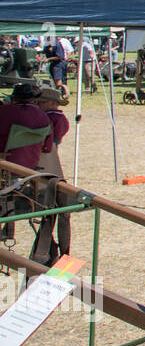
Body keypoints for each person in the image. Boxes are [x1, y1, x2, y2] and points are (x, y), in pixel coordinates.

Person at [32, 86, 71, 264]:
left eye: (40, 102)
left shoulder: (52, 118)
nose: (37, 104)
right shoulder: (55, 117)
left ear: (50, 103)